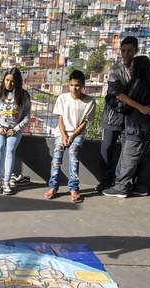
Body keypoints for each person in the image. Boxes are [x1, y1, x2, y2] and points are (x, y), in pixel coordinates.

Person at [97, 37, 150, 192]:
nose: (126, 54)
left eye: (130, 50)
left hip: (131, 118)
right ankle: (107, 181)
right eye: (123, 50)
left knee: (129, 152)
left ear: (136, 50)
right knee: (107, 148)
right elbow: (116, 93)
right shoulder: (116, 69)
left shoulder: (141, 68)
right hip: (115, 114)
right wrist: (141, 107)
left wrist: (148, 105)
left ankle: (123, 183)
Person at [45, 70, 96, 202]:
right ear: (69, 85)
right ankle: (53, 187)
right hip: (61, 132)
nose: (74, 88)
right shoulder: (62, 98)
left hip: (77, 133)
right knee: (57, 154)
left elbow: (84, 123)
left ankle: (73, 188)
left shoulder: (89, 101)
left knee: (73, 153)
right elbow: (60, 119)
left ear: (83, 85)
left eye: (78, 85)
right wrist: (63, 135)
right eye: (72, 85)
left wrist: (72, 136)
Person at [0, 67, 31, 195]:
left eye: (12, 81)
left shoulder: (24, 96)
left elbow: (27, 117)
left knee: (10, 150)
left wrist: (16, 129)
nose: (9, 84)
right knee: (0, 148)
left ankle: (6, 181)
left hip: (14, 130)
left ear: (17, 82)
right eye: (7, 80)